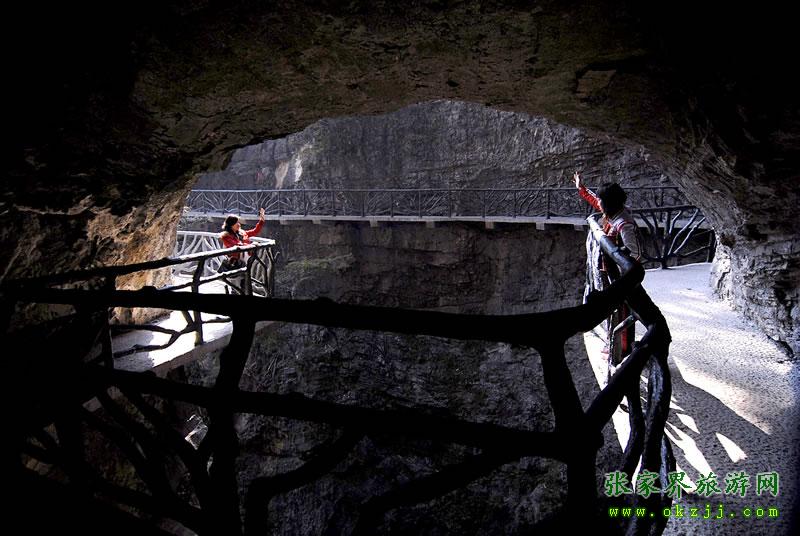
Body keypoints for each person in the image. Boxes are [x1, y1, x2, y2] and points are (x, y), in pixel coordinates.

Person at [574, 171, 641, 360]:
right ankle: (614, 343)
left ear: (609, 203)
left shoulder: (623, 223)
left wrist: (622, 271)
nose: (599, 203)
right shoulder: (613, 213)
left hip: (621, 277)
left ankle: (621, 349)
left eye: (602, 200)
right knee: (613, 310)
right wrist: (581, 187)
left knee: (622, 311)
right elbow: (595, 200)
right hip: (611, 273)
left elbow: (635, 252)